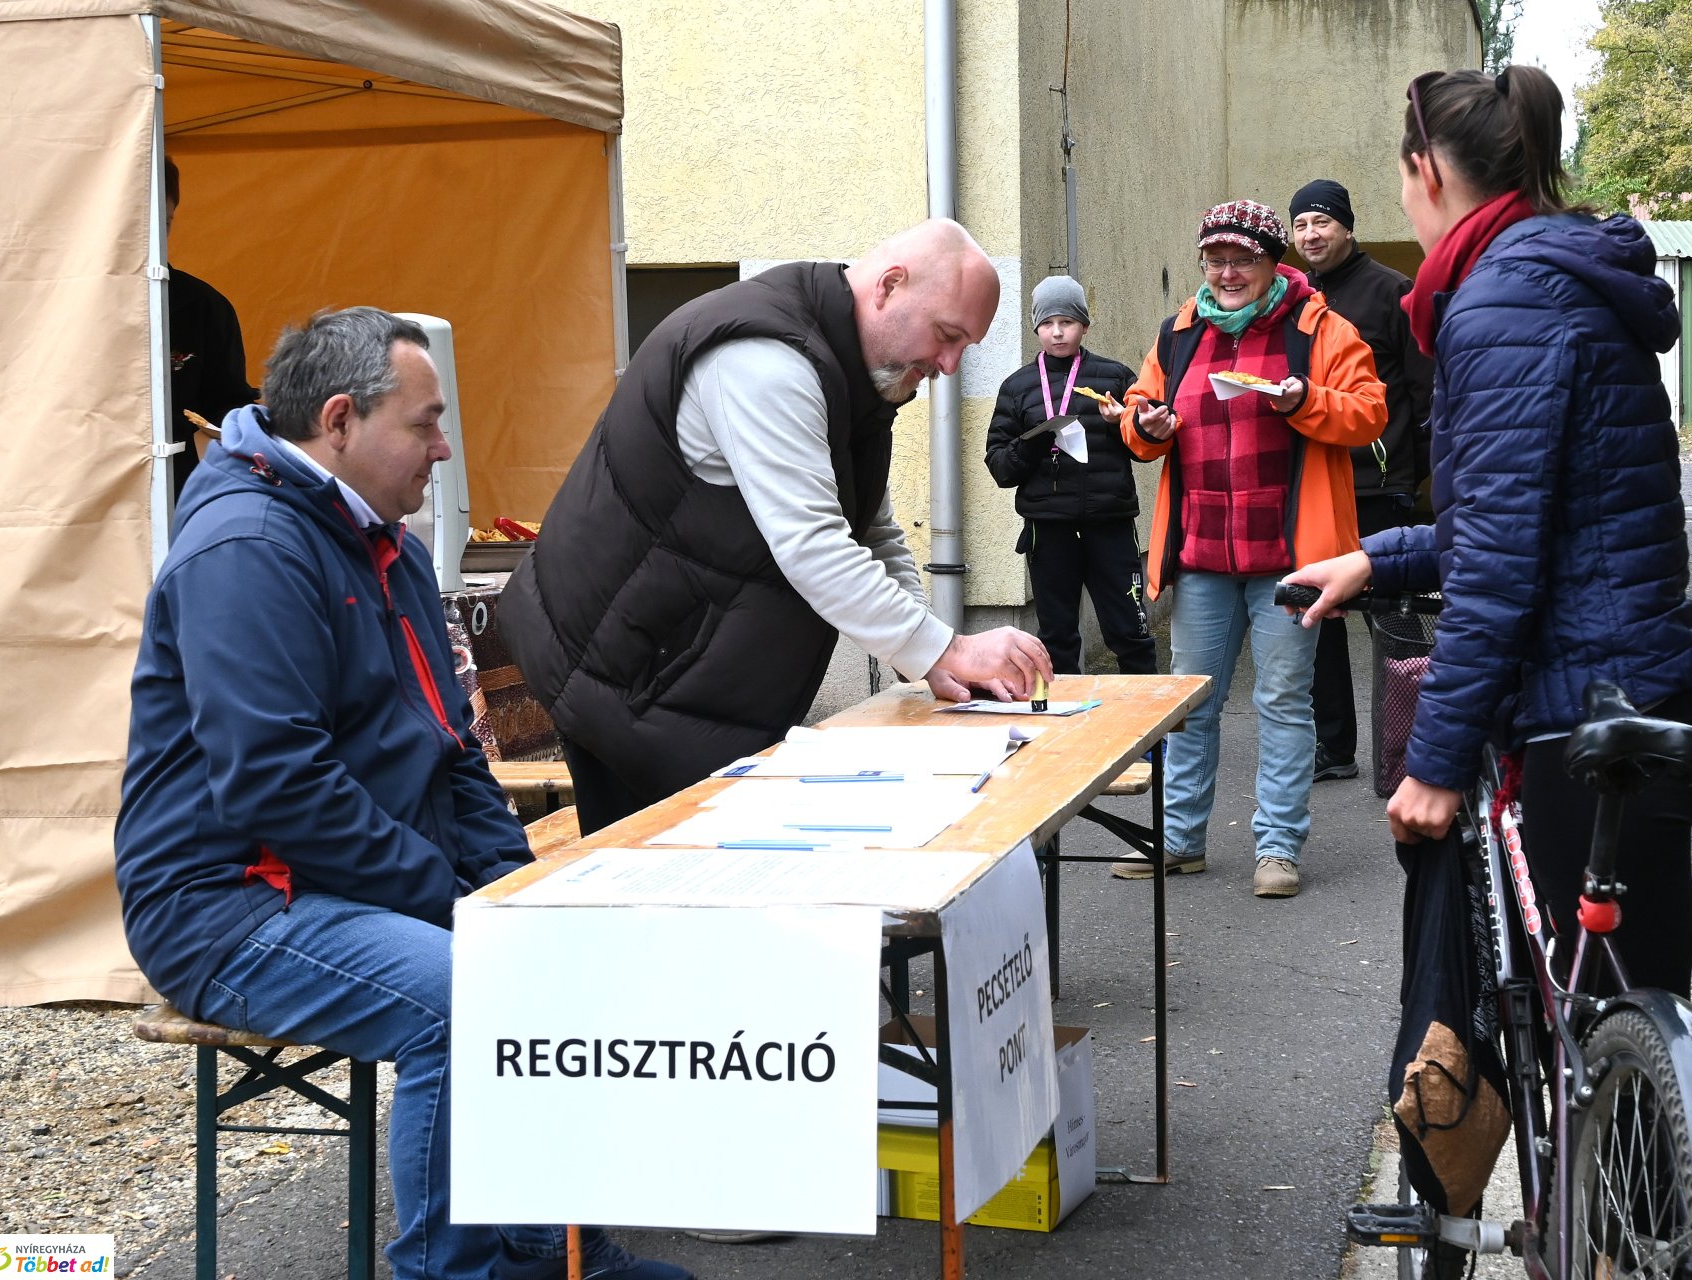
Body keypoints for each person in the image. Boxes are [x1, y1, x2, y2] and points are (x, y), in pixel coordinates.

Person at [114, 308, 689, 1280]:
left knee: (548, 948)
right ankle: (454, 1267)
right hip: (225, 900)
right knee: (465, 1000)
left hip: (332, 875)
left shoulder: (383, 539)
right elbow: (275, 784)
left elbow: (452, 747)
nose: (444, 446)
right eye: (423, 423)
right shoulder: (245, 546)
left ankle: (553, 1249)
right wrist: (451, 902)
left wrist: (511, 895)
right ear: (339, 421)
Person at [1286, 65, 1692, 995]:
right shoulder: (1561, 276)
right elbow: (1535, 516)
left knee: (1593, 1049)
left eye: (1403, 178)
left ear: (1429, 173)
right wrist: (1375, 557)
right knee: (1637, 1030)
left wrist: (1435, 764)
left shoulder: (1503, 301)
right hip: (1656, 684)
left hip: (1585, 716)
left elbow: (1497, 564)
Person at [501, 218, 1053, 833]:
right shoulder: (766, 361)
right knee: (660, 894)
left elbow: (871, 529)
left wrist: (926, 655)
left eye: (965, 347)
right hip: (626, 678)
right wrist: (945, 647)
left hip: (679, 684)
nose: (949, 364)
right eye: (947, 335)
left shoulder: (858, 372)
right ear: (889, 286)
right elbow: (814, 546)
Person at [1113, 200, 1386, 896]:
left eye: (1243, 260)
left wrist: (1303, 401)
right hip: (1202, 556)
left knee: (1284, 701)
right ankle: (1177, 841)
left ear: (1274, 262)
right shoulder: (1179, 335)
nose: (1228, 273)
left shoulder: (1319, 328)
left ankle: (1278, 849)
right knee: (1190, 703)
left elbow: (1370, 413)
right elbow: (1139, 425)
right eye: (1216, 260)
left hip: (1290, 558)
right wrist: (1148, 424)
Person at [1289, 179, 1434, 784]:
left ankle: (1412, 753)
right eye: (1300, 225)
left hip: (1381, 486)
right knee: (1320, 612)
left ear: (1348, 227)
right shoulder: (1295, 301)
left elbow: (1427, 392)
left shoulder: (1391, 292)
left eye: (1322, 222)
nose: (1311, 235)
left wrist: (1422, 475)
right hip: (1321, 487)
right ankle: (1335, 747)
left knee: (1396, 626)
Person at [983, 276, 1155, 676]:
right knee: (1056, 638)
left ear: (1084, 325)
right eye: (1047, 323)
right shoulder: (1017, 388)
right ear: (1036, 328)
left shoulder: (1115, 379)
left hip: (1110, 524)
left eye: (1067, 321)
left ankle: (1151, 738)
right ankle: (1062, 728)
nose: (1057, 332)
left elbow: (1146, 448)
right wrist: (1034, 443)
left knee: (1130, 632)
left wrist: (1122, 424)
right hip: (1049, 529)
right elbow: (1000, 467)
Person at [163, 156, 257, 505]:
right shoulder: (58, 300)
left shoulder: (202, 306)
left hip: (171, 488)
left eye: (166, 223)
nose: (155, 237)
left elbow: (228, 402)